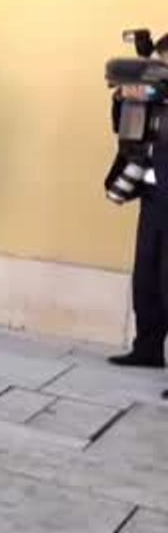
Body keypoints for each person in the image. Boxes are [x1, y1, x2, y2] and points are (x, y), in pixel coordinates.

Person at [105, 83, 168, 369]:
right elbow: (123, 127)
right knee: (146, 277)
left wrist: (160, 95)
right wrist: (122, 97)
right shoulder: (152, 96)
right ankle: (148, 349)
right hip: (153, 198)